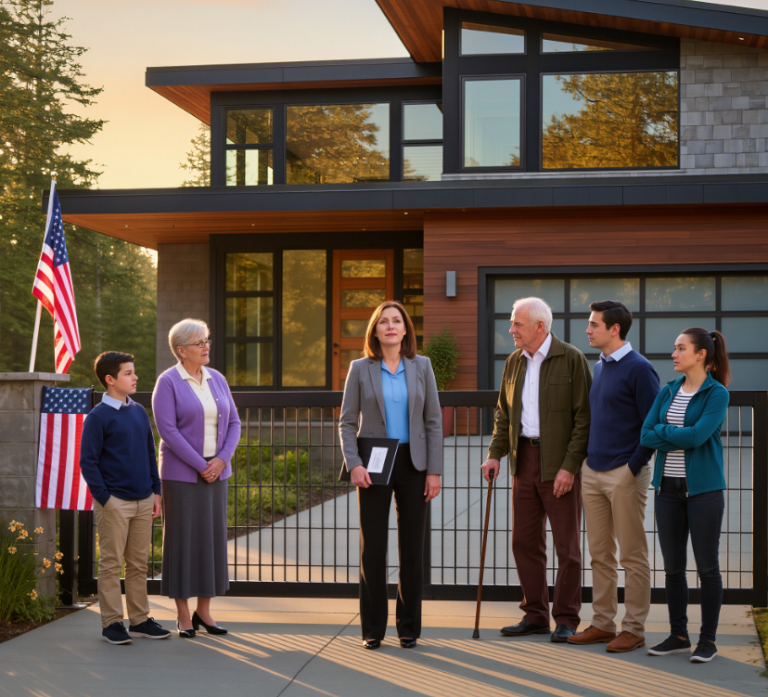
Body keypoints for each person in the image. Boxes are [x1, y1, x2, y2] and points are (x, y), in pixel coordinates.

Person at [482, 297, 591, 643]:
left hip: (559, 463)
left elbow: (584, 420)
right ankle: (535, 615)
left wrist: (569, 467)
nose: (511, 330)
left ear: (540, 327)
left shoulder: (572, 359)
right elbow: (503, 413)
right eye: (513, 323)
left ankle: (567, 618)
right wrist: (495, 454)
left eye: (517, 324)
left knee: (567, 547)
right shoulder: (514, 361)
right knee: (524, 542)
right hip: (522, 462)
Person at [339, 300, 443, 650]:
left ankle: (409, 627)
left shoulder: (422, 367)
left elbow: (433, 421)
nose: (390, 326)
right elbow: (347, 421)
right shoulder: (360, 368)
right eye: (383, 321)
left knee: (412, 549)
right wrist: (353, 462)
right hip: (373, 465)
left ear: (406, 329)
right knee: (373, 549)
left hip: (414, 466)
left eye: (397, 320)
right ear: (375, 330)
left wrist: (434, 471)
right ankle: (372, 628)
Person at [568, 301, 659, 653]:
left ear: (614, 329)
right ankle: (603, 623)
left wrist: (632, 468)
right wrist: (587, 465)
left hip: (625, 472)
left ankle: (633, 628)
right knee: (599, 554)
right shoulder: (601, 366)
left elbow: (652, 427)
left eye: (593, 325)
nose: (588, 330)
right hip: (593, 471)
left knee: (632, 556)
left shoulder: (640, 369)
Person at [641, 327, 731, 663]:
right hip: (668, 490)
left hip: (704, 491)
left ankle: (707, 640)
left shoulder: (716, 394)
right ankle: (678, 635)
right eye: (674, 348)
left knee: (707, 567)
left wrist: (667, 432)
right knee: (673, 568)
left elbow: (696, 438)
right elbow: (646, 435)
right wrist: (675, 433)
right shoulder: (668, 391)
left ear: (701, 354)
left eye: (680, 348)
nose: (673, 354)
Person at [152, 319, 241, 638]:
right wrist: (200, 464)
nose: (206, 347)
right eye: (199, 343)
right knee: (181, 542)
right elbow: (168, 431)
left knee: (212, 541)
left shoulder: (217, 379)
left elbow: (234, 424)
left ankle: (204, 612)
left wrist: (220, 460)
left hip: (216, 474)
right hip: (181, 477)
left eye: (207, 340)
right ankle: (182, 615)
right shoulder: (168, 382)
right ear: (181, 350)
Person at [79, 351, 170, 644]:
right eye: (129, 373)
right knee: (110, 563)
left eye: (133, 372)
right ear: (110, 379)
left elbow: (148, 451)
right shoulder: (97, 417)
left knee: (139, 564)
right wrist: (105, 498)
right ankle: (111, 624)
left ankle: (140, 620)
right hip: (114, 502)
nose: (135, 377)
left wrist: (156, 491)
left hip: (145, 499)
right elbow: (88, 462)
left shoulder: (139, 411)